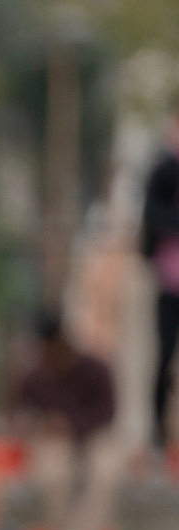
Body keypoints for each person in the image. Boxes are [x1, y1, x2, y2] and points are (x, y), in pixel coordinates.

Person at [11, 310, 121, 530]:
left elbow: (108, 411)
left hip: (92, 435)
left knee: (107, 471)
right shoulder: (34, 374)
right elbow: (16, 412)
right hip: (53, 441)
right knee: (52, 474)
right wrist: (35, 424)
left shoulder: (94, 367)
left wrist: (72, 424)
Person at [139, 105, 179, 450]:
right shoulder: (164, 171)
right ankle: (158, 433)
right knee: (165, 356)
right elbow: (152, 215)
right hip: (170, 281)